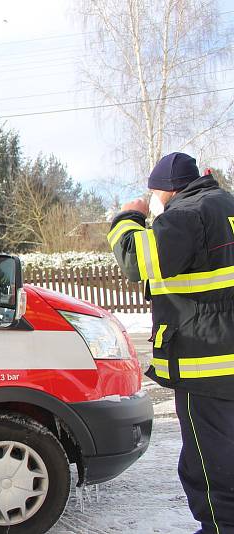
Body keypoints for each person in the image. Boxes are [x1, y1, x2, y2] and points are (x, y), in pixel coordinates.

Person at [108, 152, 234, 534]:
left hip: (207, 361)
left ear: (167, 190)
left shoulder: (187, 214)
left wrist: (127, 217)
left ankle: (220, 526)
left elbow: (135, 260)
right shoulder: (226, 204)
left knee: (210, 459)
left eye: (154, 194)